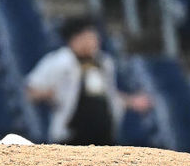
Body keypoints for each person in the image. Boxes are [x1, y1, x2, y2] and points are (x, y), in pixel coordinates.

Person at [26, 17, 152, 145]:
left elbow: (107, 94)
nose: (95, 42)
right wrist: (48, 94)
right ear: (76, 39)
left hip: (104, 135)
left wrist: (131, 101)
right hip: (72, 135)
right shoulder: (59, 61)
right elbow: (31, 90)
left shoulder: (104, 62)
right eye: (90, 37)